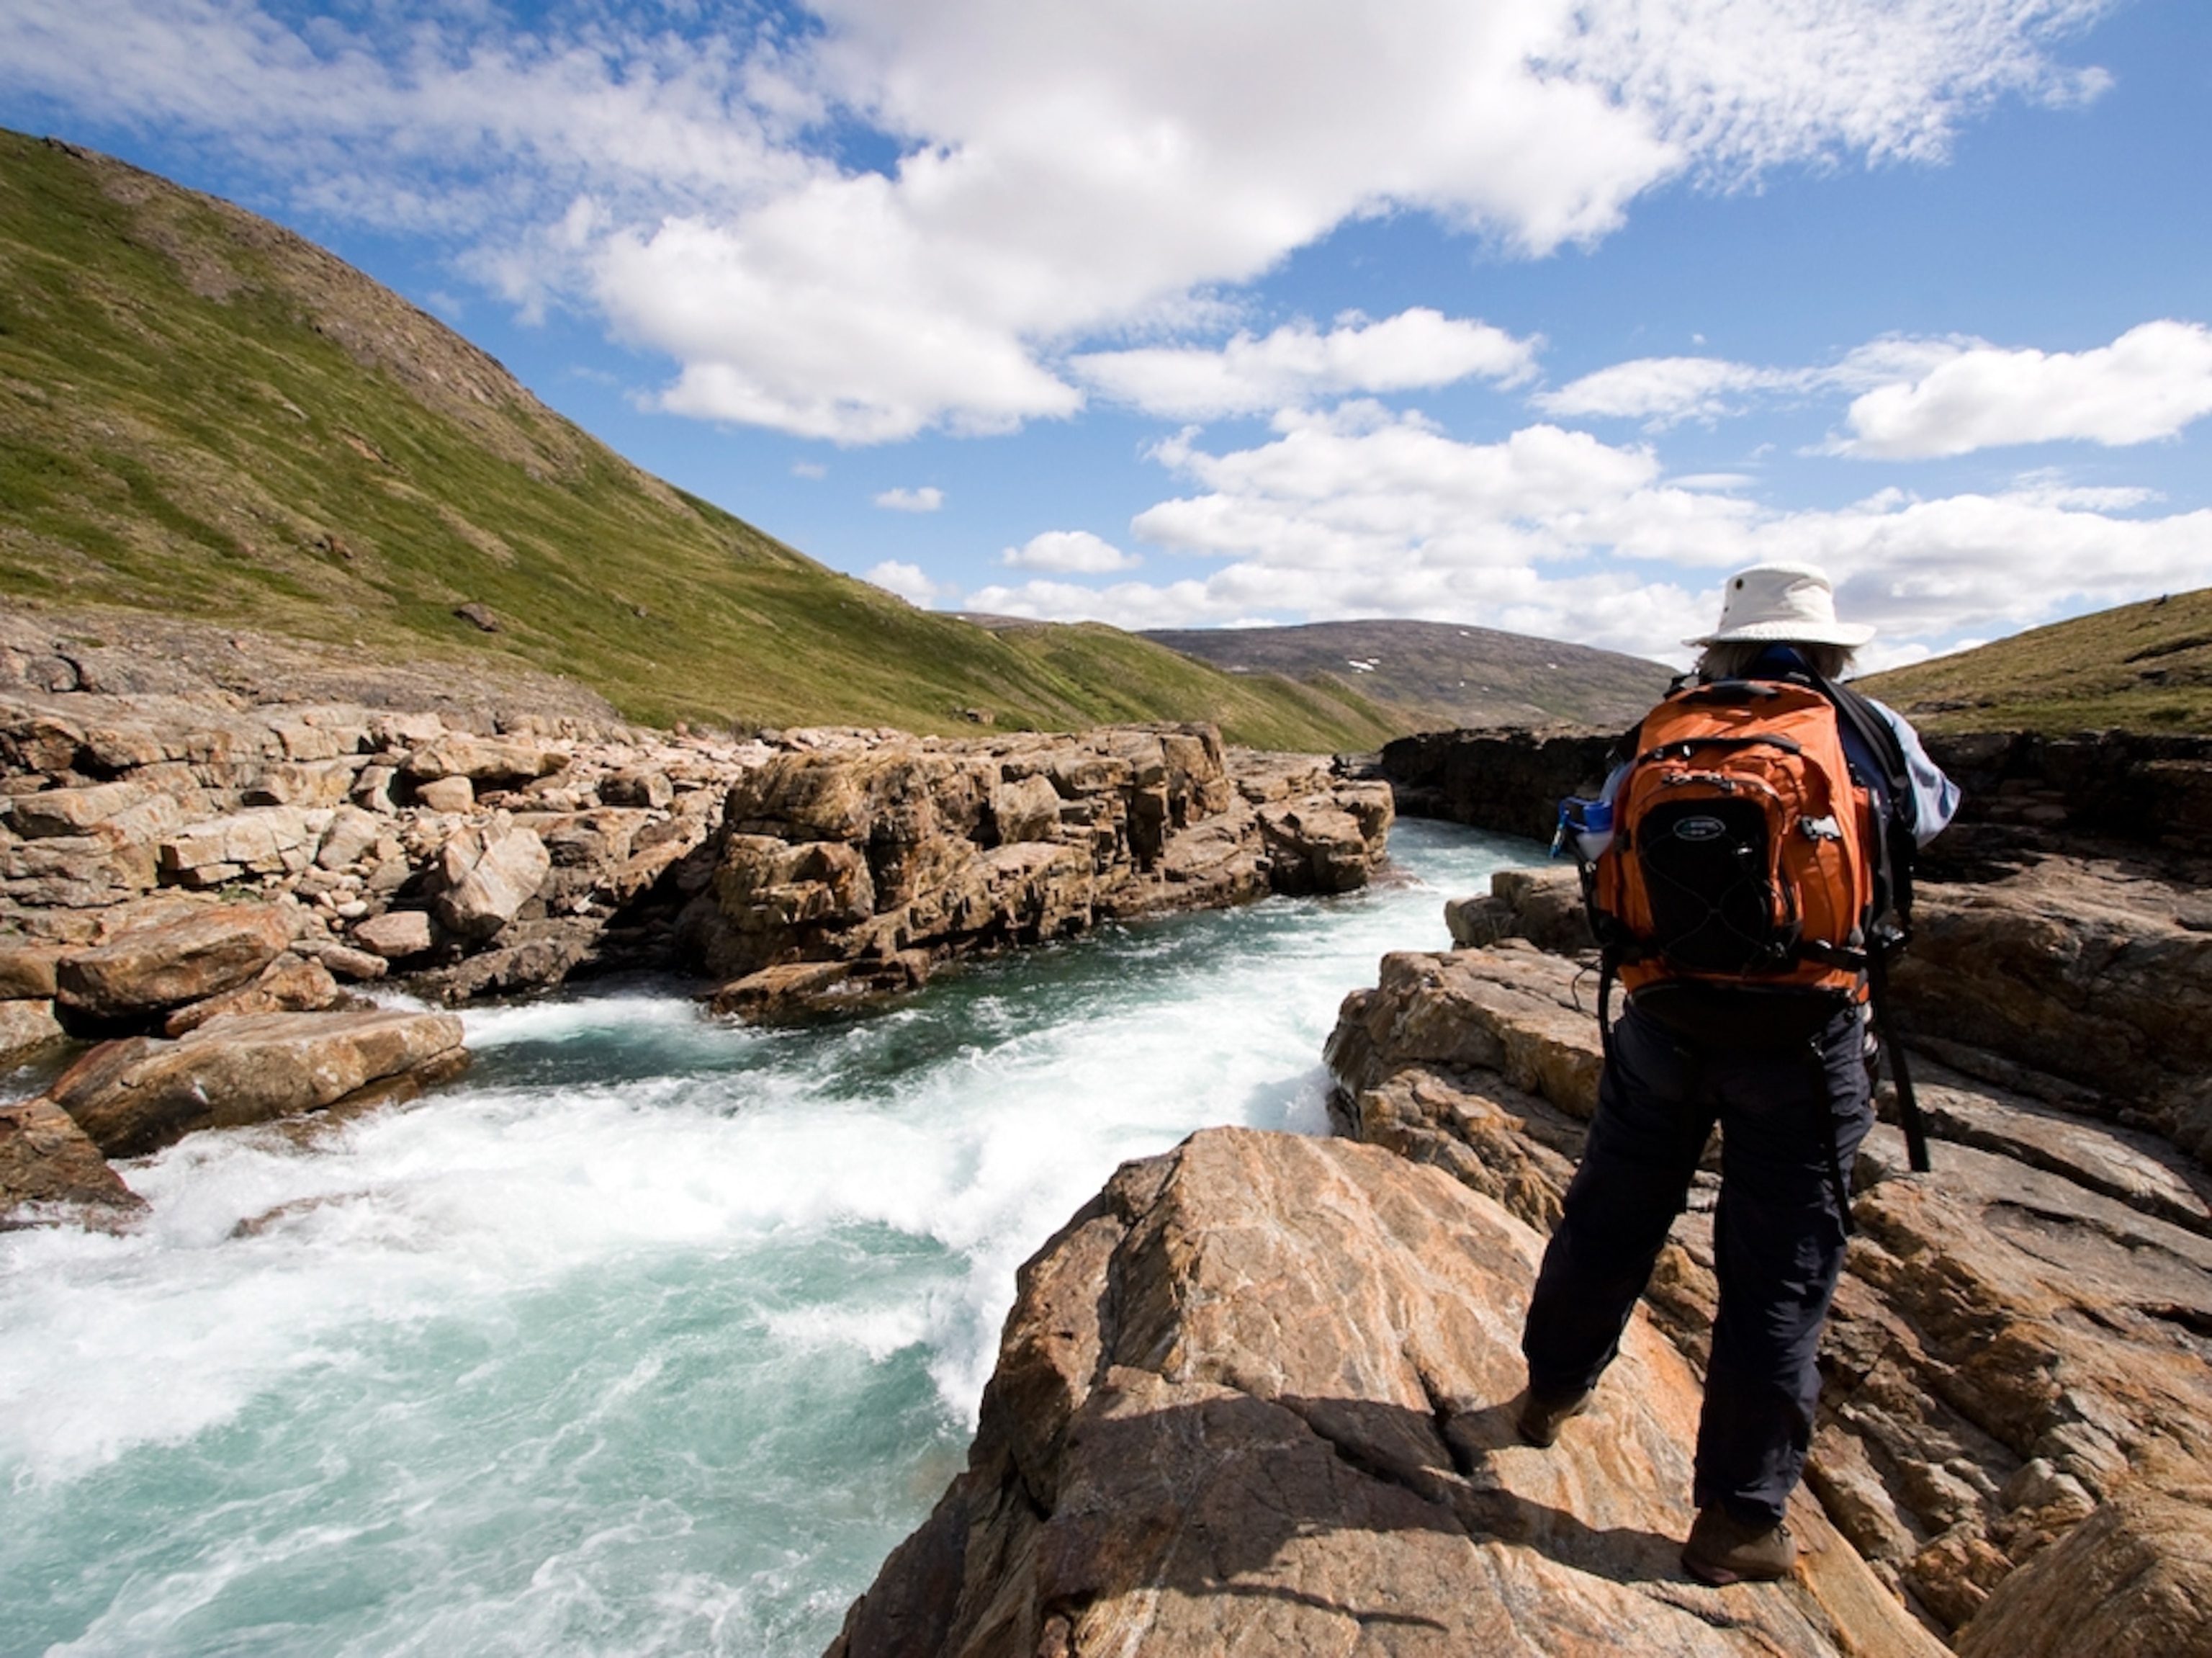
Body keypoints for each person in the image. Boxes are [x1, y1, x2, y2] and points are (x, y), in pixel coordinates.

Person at [1516, 561, 1959, 1586]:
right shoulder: (1867, 727)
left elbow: (1597, 834)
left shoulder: (1663, 729)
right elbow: (1927, 819)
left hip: (1662, 1020)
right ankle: (1737, 1522)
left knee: (1608, 1218)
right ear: (1831, 651)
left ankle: (1547, 1396)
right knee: (1776, 1272)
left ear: (1719, 644)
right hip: (1805, 1038)